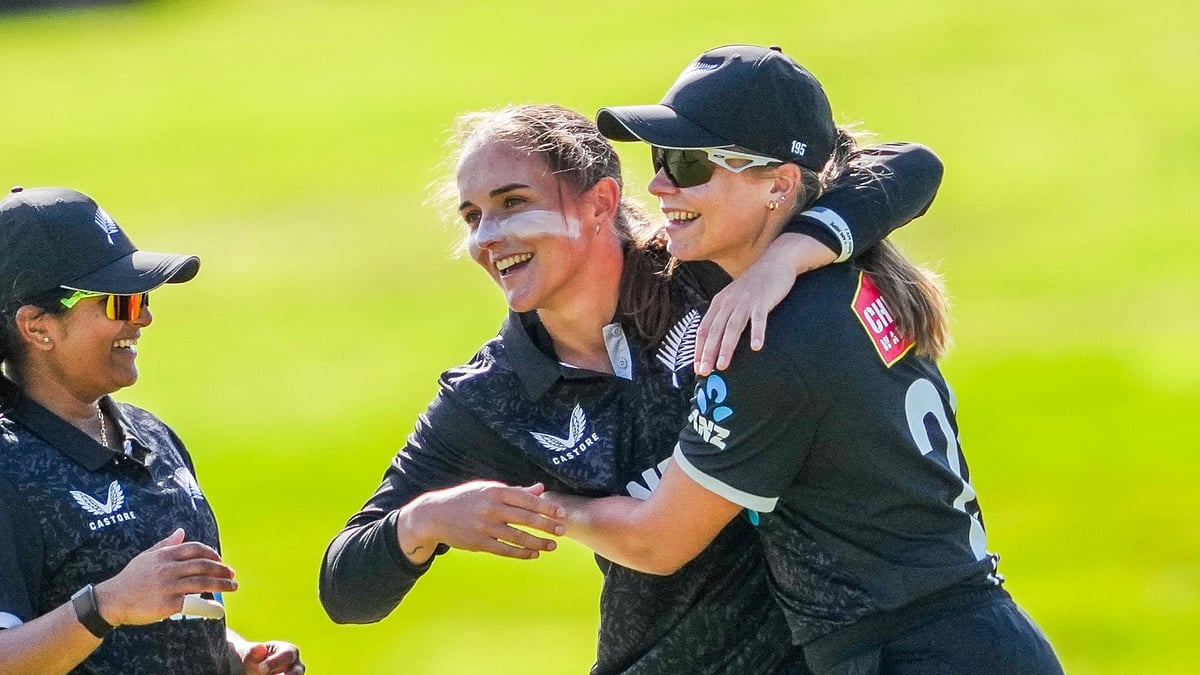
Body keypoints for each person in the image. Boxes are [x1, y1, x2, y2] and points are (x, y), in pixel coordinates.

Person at [319, 104, 943, 673]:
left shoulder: (708, 266)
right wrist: (423, 522)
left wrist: (787, 259)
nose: (487, 238)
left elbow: (908, 166)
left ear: (600, 203)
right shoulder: (491, 396)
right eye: (473, 216)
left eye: (512, 203)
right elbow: (344, 587)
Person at [542, 45, 1065, 675]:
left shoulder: (772, 338)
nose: (657, 185)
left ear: (778, 185)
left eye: (687, 164)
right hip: (965, 640)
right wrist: (786, 256)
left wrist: (543, 505)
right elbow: (906, 165)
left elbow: (658, 540)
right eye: (658, 160)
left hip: (917, 655)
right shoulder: (835, 276)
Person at [0, 186, 304, 675]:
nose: (142, 317)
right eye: (118, 303)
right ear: (38, 327)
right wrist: (104, 605)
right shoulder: (7, 469)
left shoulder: (152, 435)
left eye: (139, 297)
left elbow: (164, 619)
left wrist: (236, 655)